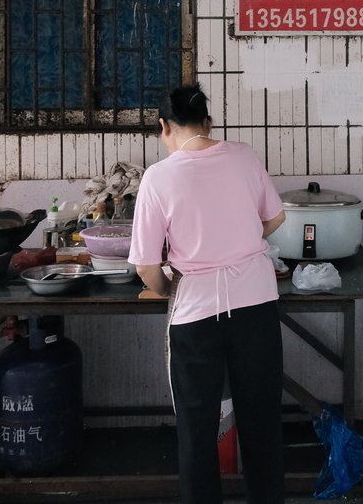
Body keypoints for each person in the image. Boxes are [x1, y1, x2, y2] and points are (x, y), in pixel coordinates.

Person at [129, 83, 287, 504]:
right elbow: (275, 218)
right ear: (209, 123)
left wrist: (168, 287)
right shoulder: (244, 156)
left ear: (164, 127)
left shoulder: (158, 178)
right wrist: (241, 240)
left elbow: (146, 267)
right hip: (256, 304)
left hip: (196, 314)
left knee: (197, 434)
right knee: (262, 425)